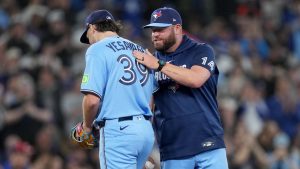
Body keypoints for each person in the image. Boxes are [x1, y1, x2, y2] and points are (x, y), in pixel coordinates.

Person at [133, 7, 229, 169]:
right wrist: (143, 149)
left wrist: (158, 65)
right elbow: (147, 110)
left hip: (209, 144)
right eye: (153, 30)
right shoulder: (150, 62)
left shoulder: (201, 50)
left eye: (160, 29)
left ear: (177, 28)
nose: (155, 34)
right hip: (173, 151)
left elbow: (196, 79)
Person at [79, 9, 155, 169]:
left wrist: (86, 127)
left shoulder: (97, 49)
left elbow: (92, 101)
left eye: (88, 37)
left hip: (119, 132)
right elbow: (150, 101)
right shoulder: (139, 50)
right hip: (145, 131)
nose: (90, 41)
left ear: (92, 28)